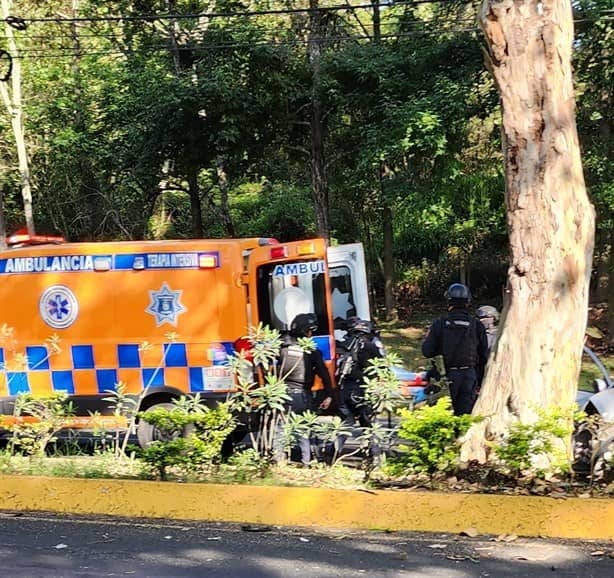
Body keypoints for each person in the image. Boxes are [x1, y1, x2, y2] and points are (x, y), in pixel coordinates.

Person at [422, 283, 488, 416]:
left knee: (443, 417)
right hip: (469, 377)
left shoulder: (439, 324)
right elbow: (483, 357)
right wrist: (480, 381)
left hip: (445, 377)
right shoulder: (477, 325)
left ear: (448, 300)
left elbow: (427, 351)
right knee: (464, 417)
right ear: (468, 301)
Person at [278, 312, 333, 467]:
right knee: (303, 430)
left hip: (282, 394)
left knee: (280, 428)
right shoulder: (312, 352)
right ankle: (306, 461)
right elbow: (324, 375)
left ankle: (278, 460)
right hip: (302, 395)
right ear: (307, 331)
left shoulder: (281, 347)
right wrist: (329, 395)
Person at [335, 317, 383, 459]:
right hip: (364, 388)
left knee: (346, 423)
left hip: (345, 389)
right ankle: (374, 457)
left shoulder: (342, 346)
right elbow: (382, 367)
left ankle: (332, 454)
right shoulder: (371, 347)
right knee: (368, 423)